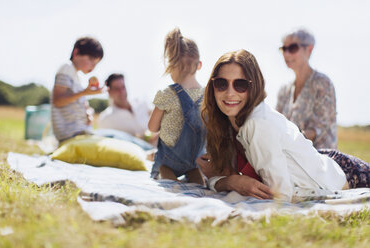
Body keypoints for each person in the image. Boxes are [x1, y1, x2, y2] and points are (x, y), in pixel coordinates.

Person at [199, 49, 369, 202]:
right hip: (320, 160)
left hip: (346, 175)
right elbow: (220, 178)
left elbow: (280, 195)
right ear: (212, 86)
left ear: (254, 87)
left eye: (240, 84)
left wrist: (231, 182)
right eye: (221, 83)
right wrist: (231, 181)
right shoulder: (225, 123)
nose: (230, 92)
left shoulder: (257, 124)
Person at [148, 28, 206, 184]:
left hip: (168, 160)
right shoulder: (208, 97)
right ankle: (197, 183)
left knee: (167, 178)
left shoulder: (167, 94)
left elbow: (152, 128)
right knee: (198, 183)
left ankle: (171, 182)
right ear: (199, 65)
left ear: (171, 64)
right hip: (195, 161)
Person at [276, 28, 337, 149]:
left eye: (292, 48)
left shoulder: (323, 83)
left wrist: (288, 140)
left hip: (321, 160)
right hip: (291, 159)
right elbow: (276, 124)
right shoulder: (284, 91)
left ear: (309, 49)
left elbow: (318, 129)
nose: (286, 54)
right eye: (284, 49)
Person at [51, 37, 103, 143]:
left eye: (96, 64)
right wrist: (85, 92)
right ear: (76, 53)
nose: (93, 67)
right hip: (71, 134)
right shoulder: (67, 68)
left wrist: (88, 112)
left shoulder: (77, 78)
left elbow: (81, 104)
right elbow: (58, 101)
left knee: (116, 136)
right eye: (91, 60)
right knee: (115, 137)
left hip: (80, 132)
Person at [97, 73, 157, 144]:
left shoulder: (142, 103)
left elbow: (160, 120)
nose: (122, 92)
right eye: (117, 89)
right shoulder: (105, 119)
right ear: (109, 92)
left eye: (123, 87)